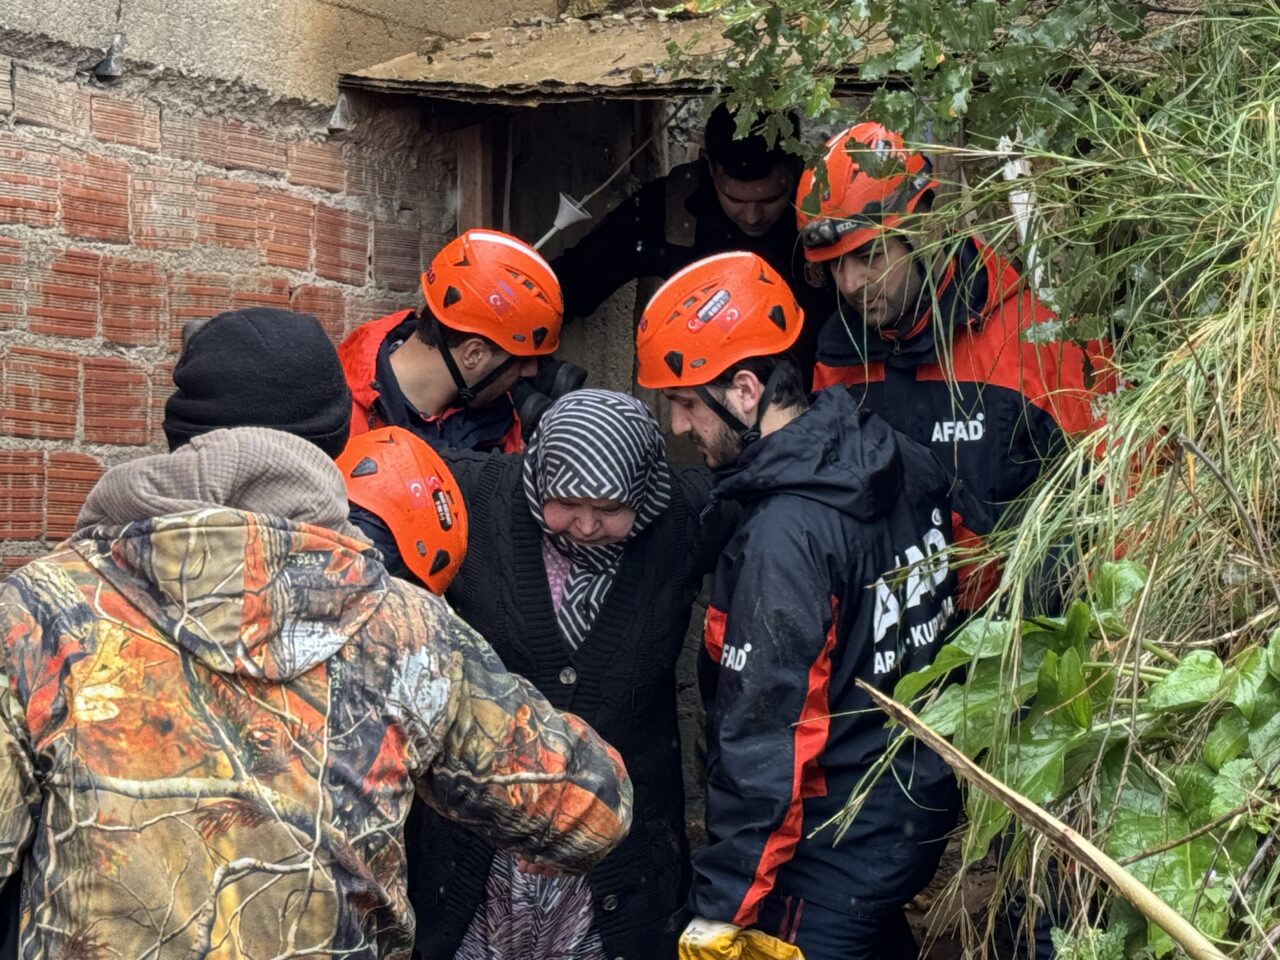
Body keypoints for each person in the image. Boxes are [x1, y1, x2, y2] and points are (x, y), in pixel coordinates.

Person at [0, 423, 633, 959]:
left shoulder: (37, 611)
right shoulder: (410, 628)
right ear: (329, 451)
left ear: (180, 443)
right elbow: (589, 812)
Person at [635, 251, 962, 960]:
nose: (680, 425)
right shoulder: (893, 454)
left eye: (687, 402)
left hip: (823, 855)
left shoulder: (785, 539)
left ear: (746, 391)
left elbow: (769, 737)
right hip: (906, 815)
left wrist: (723, 906)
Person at [408, 388, 739, 960]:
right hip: (480, 838)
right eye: (566, 503)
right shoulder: (475, 496)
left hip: (619, 848)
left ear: (645, 492)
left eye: (611, 510)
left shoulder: (688, 517)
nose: (585, 526)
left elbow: (788, 496)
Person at [796, 122, 1116, 523]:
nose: (850, 284)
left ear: (923, 232)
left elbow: (1120, 490)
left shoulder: (1037, 337)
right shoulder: (838, 358)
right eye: (834, 266)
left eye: (871, 256)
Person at [551, 104, 831, 381]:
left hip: (819, 395)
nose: (752, 216)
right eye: (734, 199)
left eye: (770, 199)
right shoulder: (670, 209)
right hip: (706, 401)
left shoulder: (827, 208)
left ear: (796, 166)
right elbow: (578, 278)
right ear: (708, 166)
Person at [338, 228, 566, 453]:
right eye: (522, 360)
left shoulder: (498, 416)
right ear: (474, 354)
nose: (532, 371)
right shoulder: (340, 426)